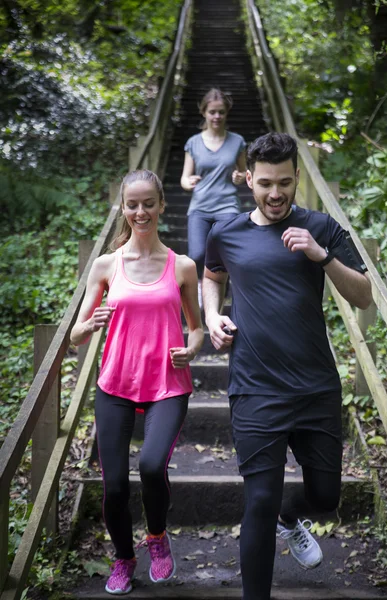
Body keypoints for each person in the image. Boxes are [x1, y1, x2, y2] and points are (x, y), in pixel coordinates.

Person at [202, 132, 372, 600]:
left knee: (325, 498)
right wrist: (213, 313)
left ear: (297, 178)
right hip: (255, 389)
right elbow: (211, 275)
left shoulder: (322, 226)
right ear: (249, 181)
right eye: (264, 183)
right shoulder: (227, 231)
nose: (274, 193)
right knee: (258, 500)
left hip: (316, 387)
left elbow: (362, 296)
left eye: (283, 182)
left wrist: (322, 256)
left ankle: (290, 516)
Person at [70, 169, 204, 595]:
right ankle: (124, 558)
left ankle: (158, 537)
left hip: (167, 382)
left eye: (149, 203)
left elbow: (196, 328)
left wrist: (193, 349)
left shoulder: (182, 266)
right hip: (115, 384)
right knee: (114, 486)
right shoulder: (106, 265)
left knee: (149, 466)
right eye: (133, 204)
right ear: (124, 209)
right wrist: (91, 323)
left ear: (162, 206)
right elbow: (74, 334)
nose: (140, 211)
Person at [180, 88, 247, 305]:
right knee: (197, 254)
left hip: (227, 205)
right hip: (200, 206)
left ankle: (221, 288)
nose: (216, 116)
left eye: (221, 112)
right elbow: (184, 177)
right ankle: (201, 285)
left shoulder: (237, 142)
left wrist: (239, 177)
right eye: (212, 112)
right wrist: (188, 183)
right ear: (204, 113)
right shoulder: (193, 143)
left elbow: (245, 174)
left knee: (226, 251)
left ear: (226, 114)